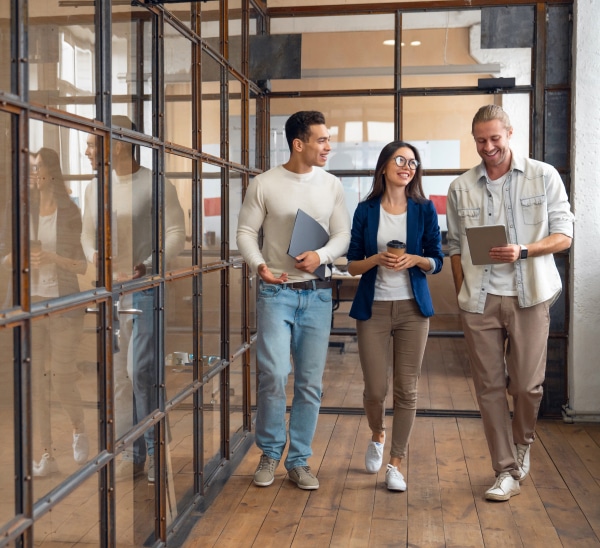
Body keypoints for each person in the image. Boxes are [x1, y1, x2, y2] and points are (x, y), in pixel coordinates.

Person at [446, 105, 574, 502]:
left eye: (495, 138)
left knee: (526, 386)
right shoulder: (461, 187)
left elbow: (564, 235)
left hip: (530, 296)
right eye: (481, 140)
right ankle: (505, 469)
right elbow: (454, 246)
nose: (488, 147)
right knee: (488, 388)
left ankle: (522, 445)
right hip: (480, 300)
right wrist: (462, 292)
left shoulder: (543, 175)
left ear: (509, 133)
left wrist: (523, 250)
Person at [236, 111, 350, 490]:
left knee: (309, 383)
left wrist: (323, 256)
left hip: (316, 295)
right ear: (298, 144)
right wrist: (259, 265)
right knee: (273, 375)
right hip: (275, 292)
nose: (328, 147)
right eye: (321, 140)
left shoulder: (331, 184)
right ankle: (270, 453)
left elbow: (342, 235)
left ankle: (299, 461)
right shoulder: (265, 184)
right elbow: (246, 232)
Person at [81, 117, 185, 483]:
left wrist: (150, 264)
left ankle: (155, 450)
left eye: (93, 143)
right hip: (109, 290)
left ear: (120, 143)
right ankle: (131, 450)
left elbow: (175, 232)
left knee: (139, 371)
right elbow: (86, 235)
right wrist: (94, 254)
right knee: (119, 376)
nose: (87, 150)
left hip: (145, 288)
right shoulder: (97, 187)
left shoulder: (155, 184)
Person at [346, 141, 444, 491]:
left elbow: (437, 259)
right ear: (384, 166)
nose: (407, 166)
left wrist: (414, 260)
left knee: (407, 389)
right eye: (400, 160)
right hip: (373, 309)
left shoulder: (425, 209)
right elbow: (352, 265)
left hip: (412, 310)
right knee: (375, 390)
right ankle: (377, 433)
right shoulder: (365, 210)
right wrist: (376, 259)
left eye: (413, 162)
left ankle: (396, 463)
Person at [25, 148, 89, 475]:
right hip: (33, 302)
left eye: (38, 168)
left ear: (52, 172)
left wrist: (53, 258)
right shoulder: (26, 211)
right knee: (36, 381)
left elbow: (81, 264)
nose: (34, 174)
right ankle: (47, 454)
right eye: (31, 168)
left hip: (64, 304)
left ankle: (79, 428)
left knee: (62, 377)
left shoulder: (70, 213)